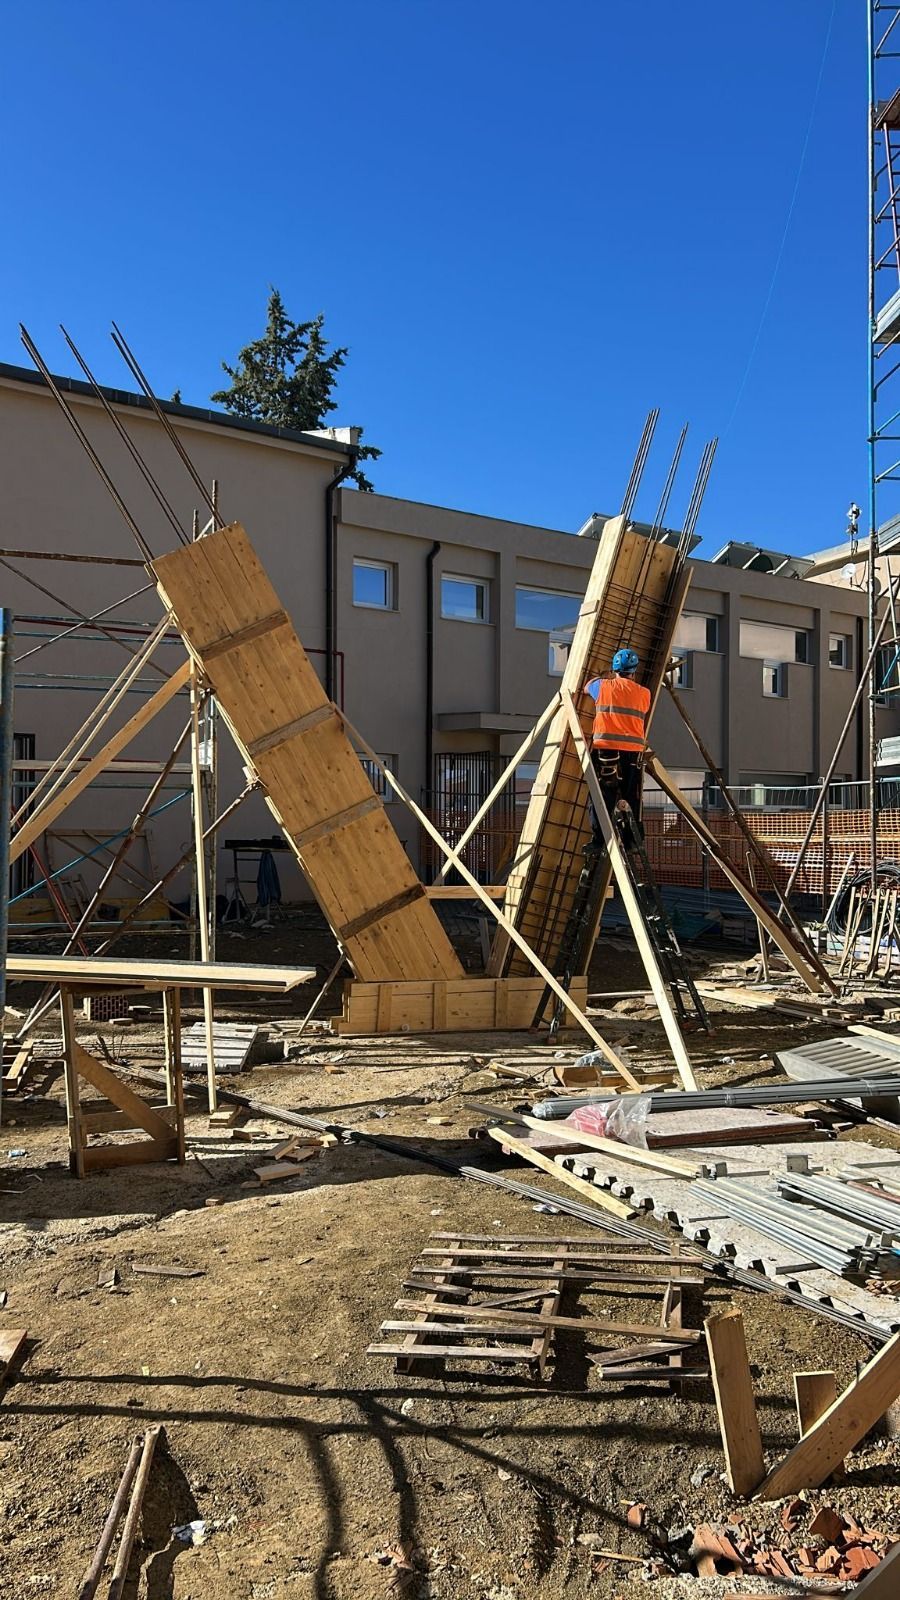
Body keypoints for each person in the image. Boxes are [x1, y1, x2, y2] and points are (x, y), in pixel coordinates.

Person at [583, 647, 651, 840]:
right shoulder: (644, 693)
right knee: (632, 794)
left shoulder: (603, 686)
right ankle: (633, 837)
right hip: (633, 751)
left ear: (614, 669)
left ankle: (600, 838)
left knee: (603, 793)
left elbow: (587, 687)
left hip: (607, 750)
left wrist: (602, 678)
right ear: (634, 671)